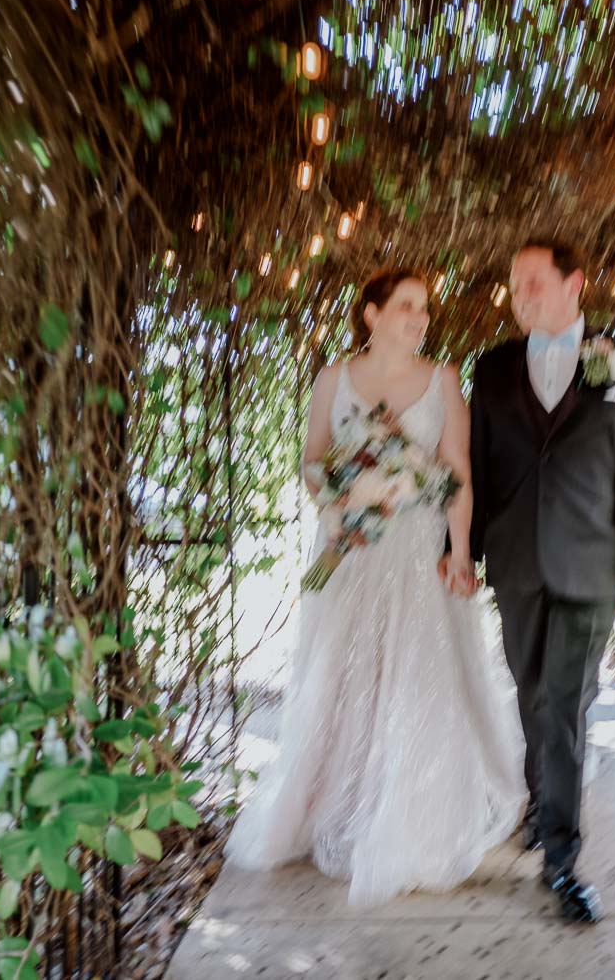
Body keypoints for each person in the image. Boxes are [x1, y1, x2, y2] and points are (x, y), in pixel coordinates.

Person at [224, 268, 525, 907]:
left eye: (424, 309)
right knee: (344, 674)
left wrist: (461, 552)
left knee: (419, 675)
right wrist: (346, 495)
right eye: (407, 307)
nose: (419, 319)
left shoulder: (444, 381)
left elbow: (458, 473)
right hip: (350, 550)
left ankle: (413, 810)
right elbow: (311, 461)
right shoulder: (332, 379)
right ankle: (341, 799)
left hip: (419, 552)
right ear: (372, 313)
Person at [465, 238, 615, 925]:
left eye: (532, 283)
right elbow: (478, 471)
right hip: (516, 560)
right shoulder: (489, 370)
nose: (520, 297)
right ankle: (540, 803)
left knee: (567, 701)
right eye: (514, 287)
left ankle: (562, 857)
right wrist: (460, 550)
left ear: (574, 283)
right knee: (531, 693)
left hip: (591, 563)